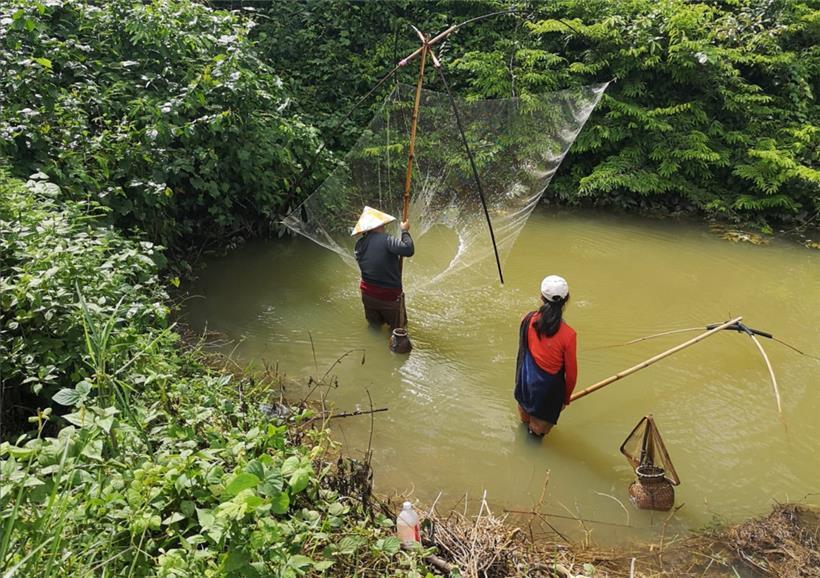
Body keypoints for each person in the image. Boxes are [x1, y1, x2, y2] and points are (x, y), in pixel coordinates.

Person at [514, 275, 578, 436]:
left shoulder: (526, 320)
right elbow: (570, 376)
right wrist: (565, 399)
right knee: (535, 436)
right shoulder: (568, 335)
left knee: (524, 425)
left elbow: (523, 351)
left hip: (525, 384)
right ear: (566, 299)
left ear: (541, 297)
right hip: (547, 393)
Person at [352, 205, 414, 330]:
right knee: (399, 330)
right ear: (377, 226)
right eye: (382, 224)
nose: (384, 226)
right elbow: (408, 250)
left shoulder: (359, 244)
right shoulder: (386, 240)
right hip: (389, 296)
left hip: (367, 295)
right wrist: (405, 231)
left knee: (374, 327)